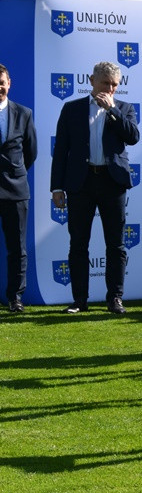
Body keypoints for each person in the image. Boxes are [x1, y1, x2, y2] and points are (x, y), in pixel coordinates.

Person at [51, 61, 141, 314]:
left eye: (114, 85)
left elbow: (133, 137)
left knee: (116, 244)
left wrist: (113, 111)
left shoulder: (123, 108)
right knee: (78, 243)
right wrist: (56, 187)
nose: (110, 89)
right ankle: (80, 300)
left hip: (113, 182)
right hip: (81, 182)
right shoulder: (72, 109)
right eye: (105, 83)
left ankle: (115, 298)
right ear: (92, 81)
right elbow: (61, 151)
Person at [0, 64, 37, 313]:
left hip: (15, 189)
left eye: (1, 82)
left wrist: (15, 171)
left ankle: (15, 298)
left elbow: (30, 152)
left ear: (9, 83)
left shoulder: (24, 113)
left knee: (17, 248)